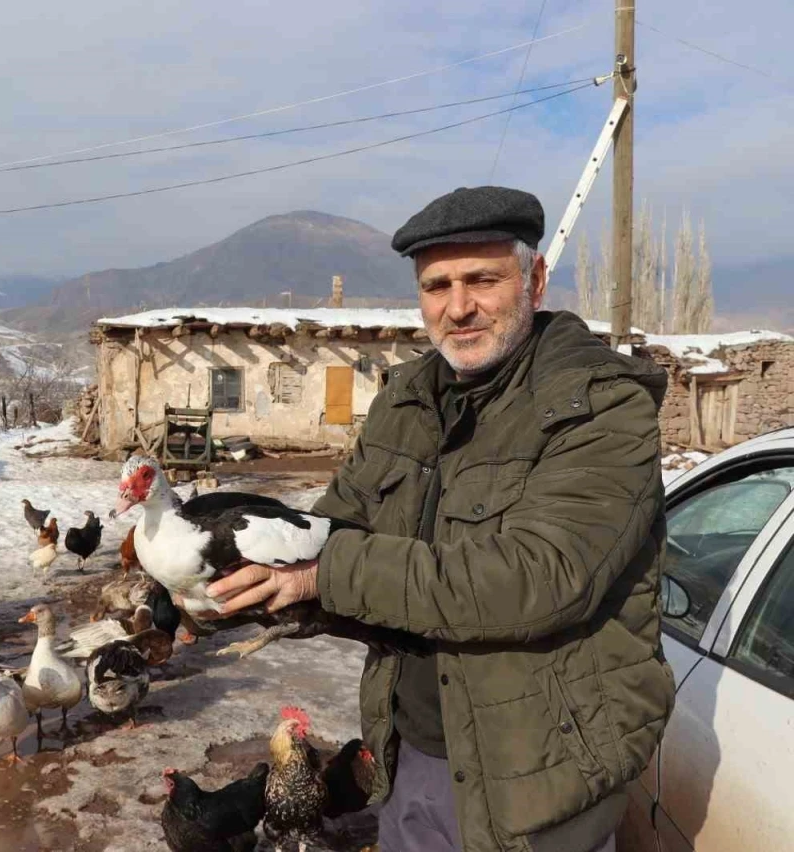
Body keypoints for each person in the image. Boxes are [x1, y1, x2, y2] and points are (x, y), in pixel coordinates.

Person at [207, 186, 675, 852]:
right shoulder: (407, 400)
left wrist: (327, 572)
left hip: (537, 777)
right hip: (414, 755)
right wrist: (250, 572)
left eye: (482, 280)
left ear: (534, 280)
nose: (458, 307)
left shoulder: (599, 409)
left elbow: (537, 577)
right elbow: (339, 534)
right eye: (437, 285)